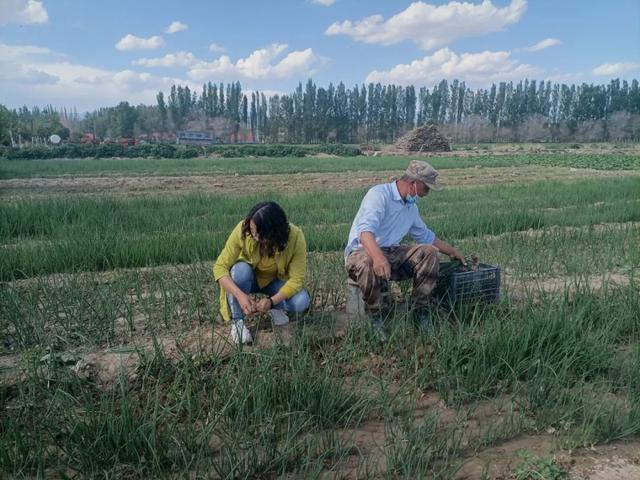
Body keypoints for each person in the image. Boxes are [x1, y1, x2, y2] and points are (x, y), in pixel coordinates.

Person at [344, 160, 465, 335]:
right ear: (413, 183)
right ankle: (378, 317)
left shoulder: (410, 207)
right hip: (361, 252)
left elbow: (427, 236)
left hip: (391, 252)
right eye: (426, 188)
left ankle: (420, 312)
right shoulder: (379, 195)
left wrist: (453, 251)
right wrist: (378, 258)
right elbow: (365, 233)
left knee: (429, 252)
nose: (426, 194)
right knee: (368, 259)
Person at [213, 201, 310, 344]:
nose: (253, 235)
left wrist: (272, 302)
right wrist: (240, 296)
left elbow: (297, 279)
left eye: (257, 233)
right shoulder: (243, 231)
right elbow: (219, 268)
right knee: (240, 271)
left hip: (273, 282)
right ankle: (238, 322)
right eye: (251, 230)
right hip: (248, 280)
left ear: (272, 233)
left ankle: (275, 309)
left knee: (302, 301)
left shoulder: (295, 237)